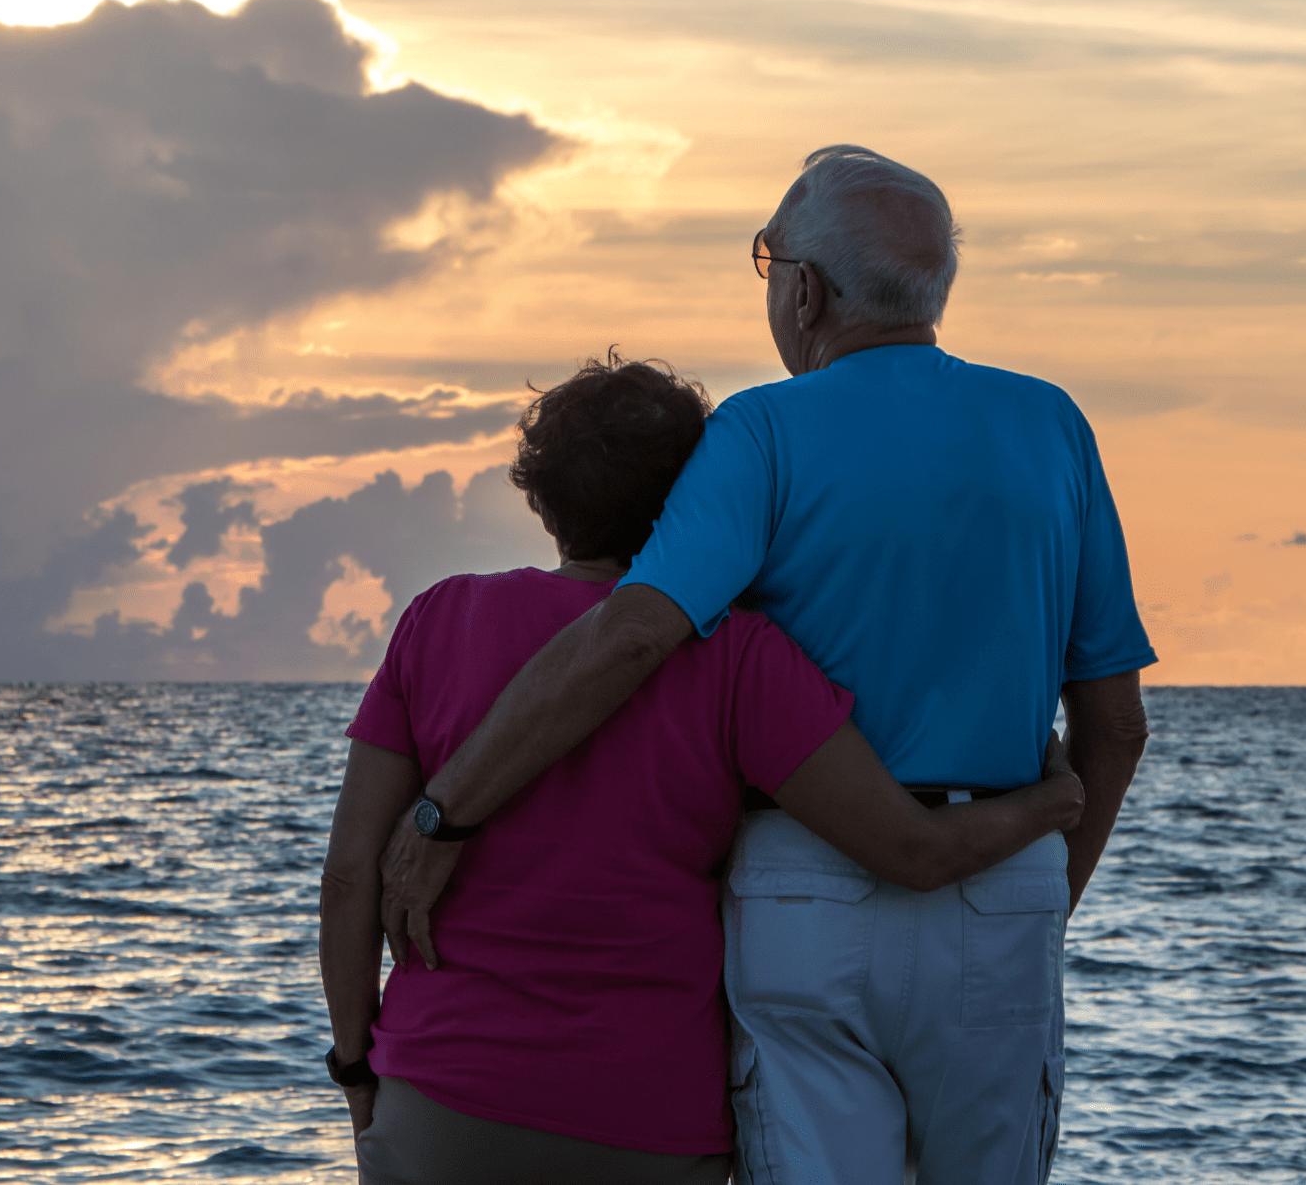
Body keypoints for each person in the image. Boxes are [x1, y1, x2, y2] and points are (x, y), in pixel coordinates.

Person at [375, 146, 1157, 1184]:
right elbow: (1111, 726)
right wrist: (1030, 894)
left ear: (804, 289)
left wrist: (444, 814)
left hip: (805, 889)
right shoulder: (1050, 425)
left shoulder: (759, 430)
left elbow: (635, 633)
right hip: (997, 880)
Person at [318, 353, 1087, 1185]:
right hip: (649, 1119)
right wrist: (1048, 803)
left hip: (442, 1095)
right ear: (697, 496)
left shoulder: (439, 620)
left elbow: (352, 877)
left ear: (541, 497)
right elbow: (913, 852)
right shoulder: (737, 655)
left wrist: (357, 1068)